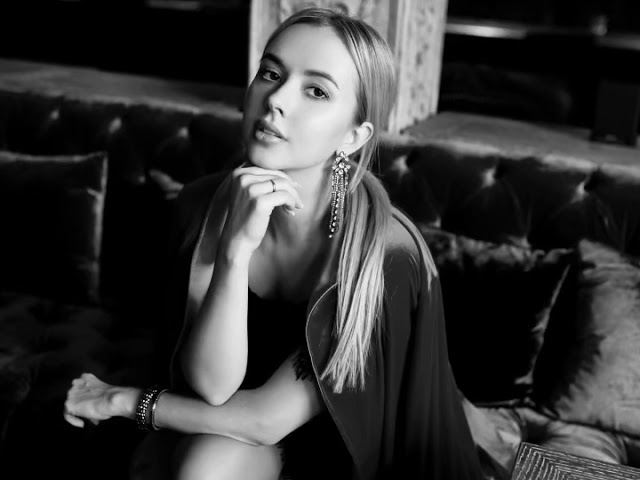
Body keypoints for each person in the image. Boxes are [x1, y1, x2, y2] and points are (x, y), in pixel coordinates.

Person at [63, 7, 484, 480]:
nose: (277, 99)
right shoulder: (202, 203)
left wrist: (123, 401)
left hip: (343, 445)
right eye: (270, 73)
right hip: (225, 416)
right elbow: (210, 386)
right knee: (203, 464)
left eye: (316, 90)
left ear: (353, 135)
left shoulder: (384, 256)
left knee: (204, 465)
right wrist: (234, 253)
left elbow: (267, 419)